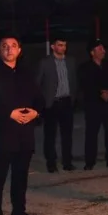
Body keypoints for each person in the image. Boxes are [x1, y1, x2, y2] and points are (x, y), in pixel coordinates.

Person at [0, 35, 45, 215]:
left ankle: (18, 214)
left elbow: (39, 98)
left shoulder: (26, 73)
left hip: (24, 134)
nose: (9, 49)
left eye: (13, 46)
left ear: (20, 50)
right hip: (3, 134)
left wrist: (36, 112)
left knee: (20, 176)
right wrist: (8, 113)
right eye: (4, 46)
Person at [77, 39, 108, 170]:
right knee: (91, 133)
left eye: (103, 49)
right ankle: (90, 161)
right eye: (100, 49)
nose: (103, 51)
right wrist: (99, 92)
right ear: (92, 52)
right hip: (93, 105)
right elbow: (85, 85)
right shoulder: (84, 68)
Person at [36, 36, 77, 172]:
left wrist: (73, 98)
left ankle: (67, 161)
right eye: (60, 45)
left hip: (66, 101)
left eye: (64, 45)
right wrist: (41, 103)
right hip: (52, 103)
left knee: (67, 134)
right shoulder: (45, 62)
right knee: (50, 135)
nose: (63, 48)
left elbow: (74, 81)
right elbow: (38, 83)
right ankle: (51, 162)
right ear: (53, 46)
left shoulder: (70, 61)